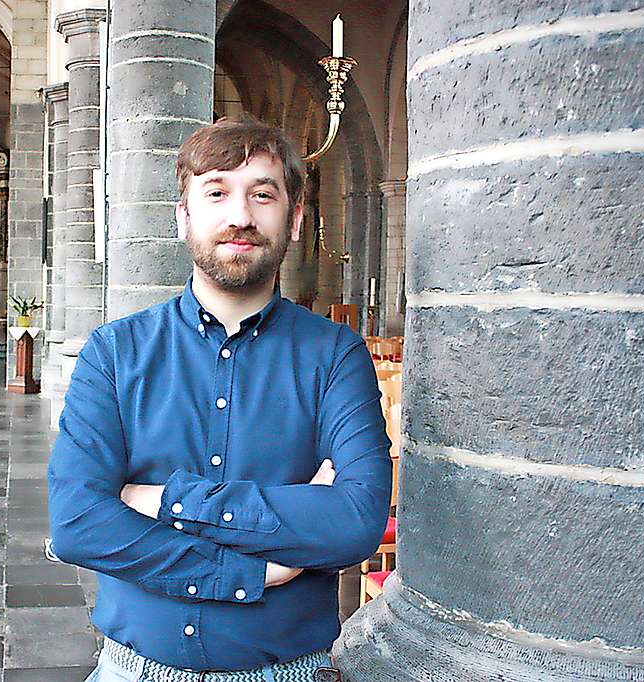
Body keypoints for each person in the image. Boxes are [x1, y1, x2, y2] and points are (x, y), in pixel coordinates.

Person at [48, 115, 392, 682]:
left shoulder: (335, 356)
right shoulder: (114, 352)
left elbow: (357, 519)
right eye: (216, 193)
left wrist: (163, 501)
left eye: (263, 195)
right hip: (133, 670)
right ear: (184, 216)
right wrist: (257, 570)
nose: (240, 217)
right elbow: (78, 522)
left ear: (296, 218)